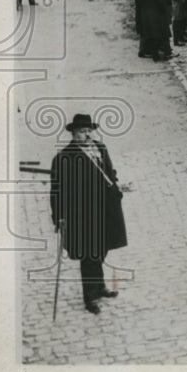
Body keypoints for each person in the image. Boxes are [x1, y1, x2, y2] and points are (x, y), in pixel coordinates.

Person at [49, 113, 127, 314]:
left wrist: (116, 188)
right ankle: (90, 296)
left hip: (106, 209)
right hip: (83, 214)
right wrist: (59, 216)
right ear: (73, 134)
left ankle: (99, 286)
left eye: (89, 131)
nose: (87, 135)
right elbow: (56, 190)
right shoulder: (64, 158)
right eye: (82, 132)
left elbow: (110, 172)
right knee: (89, 254)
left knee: (102, 249)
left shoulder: (100, 148)